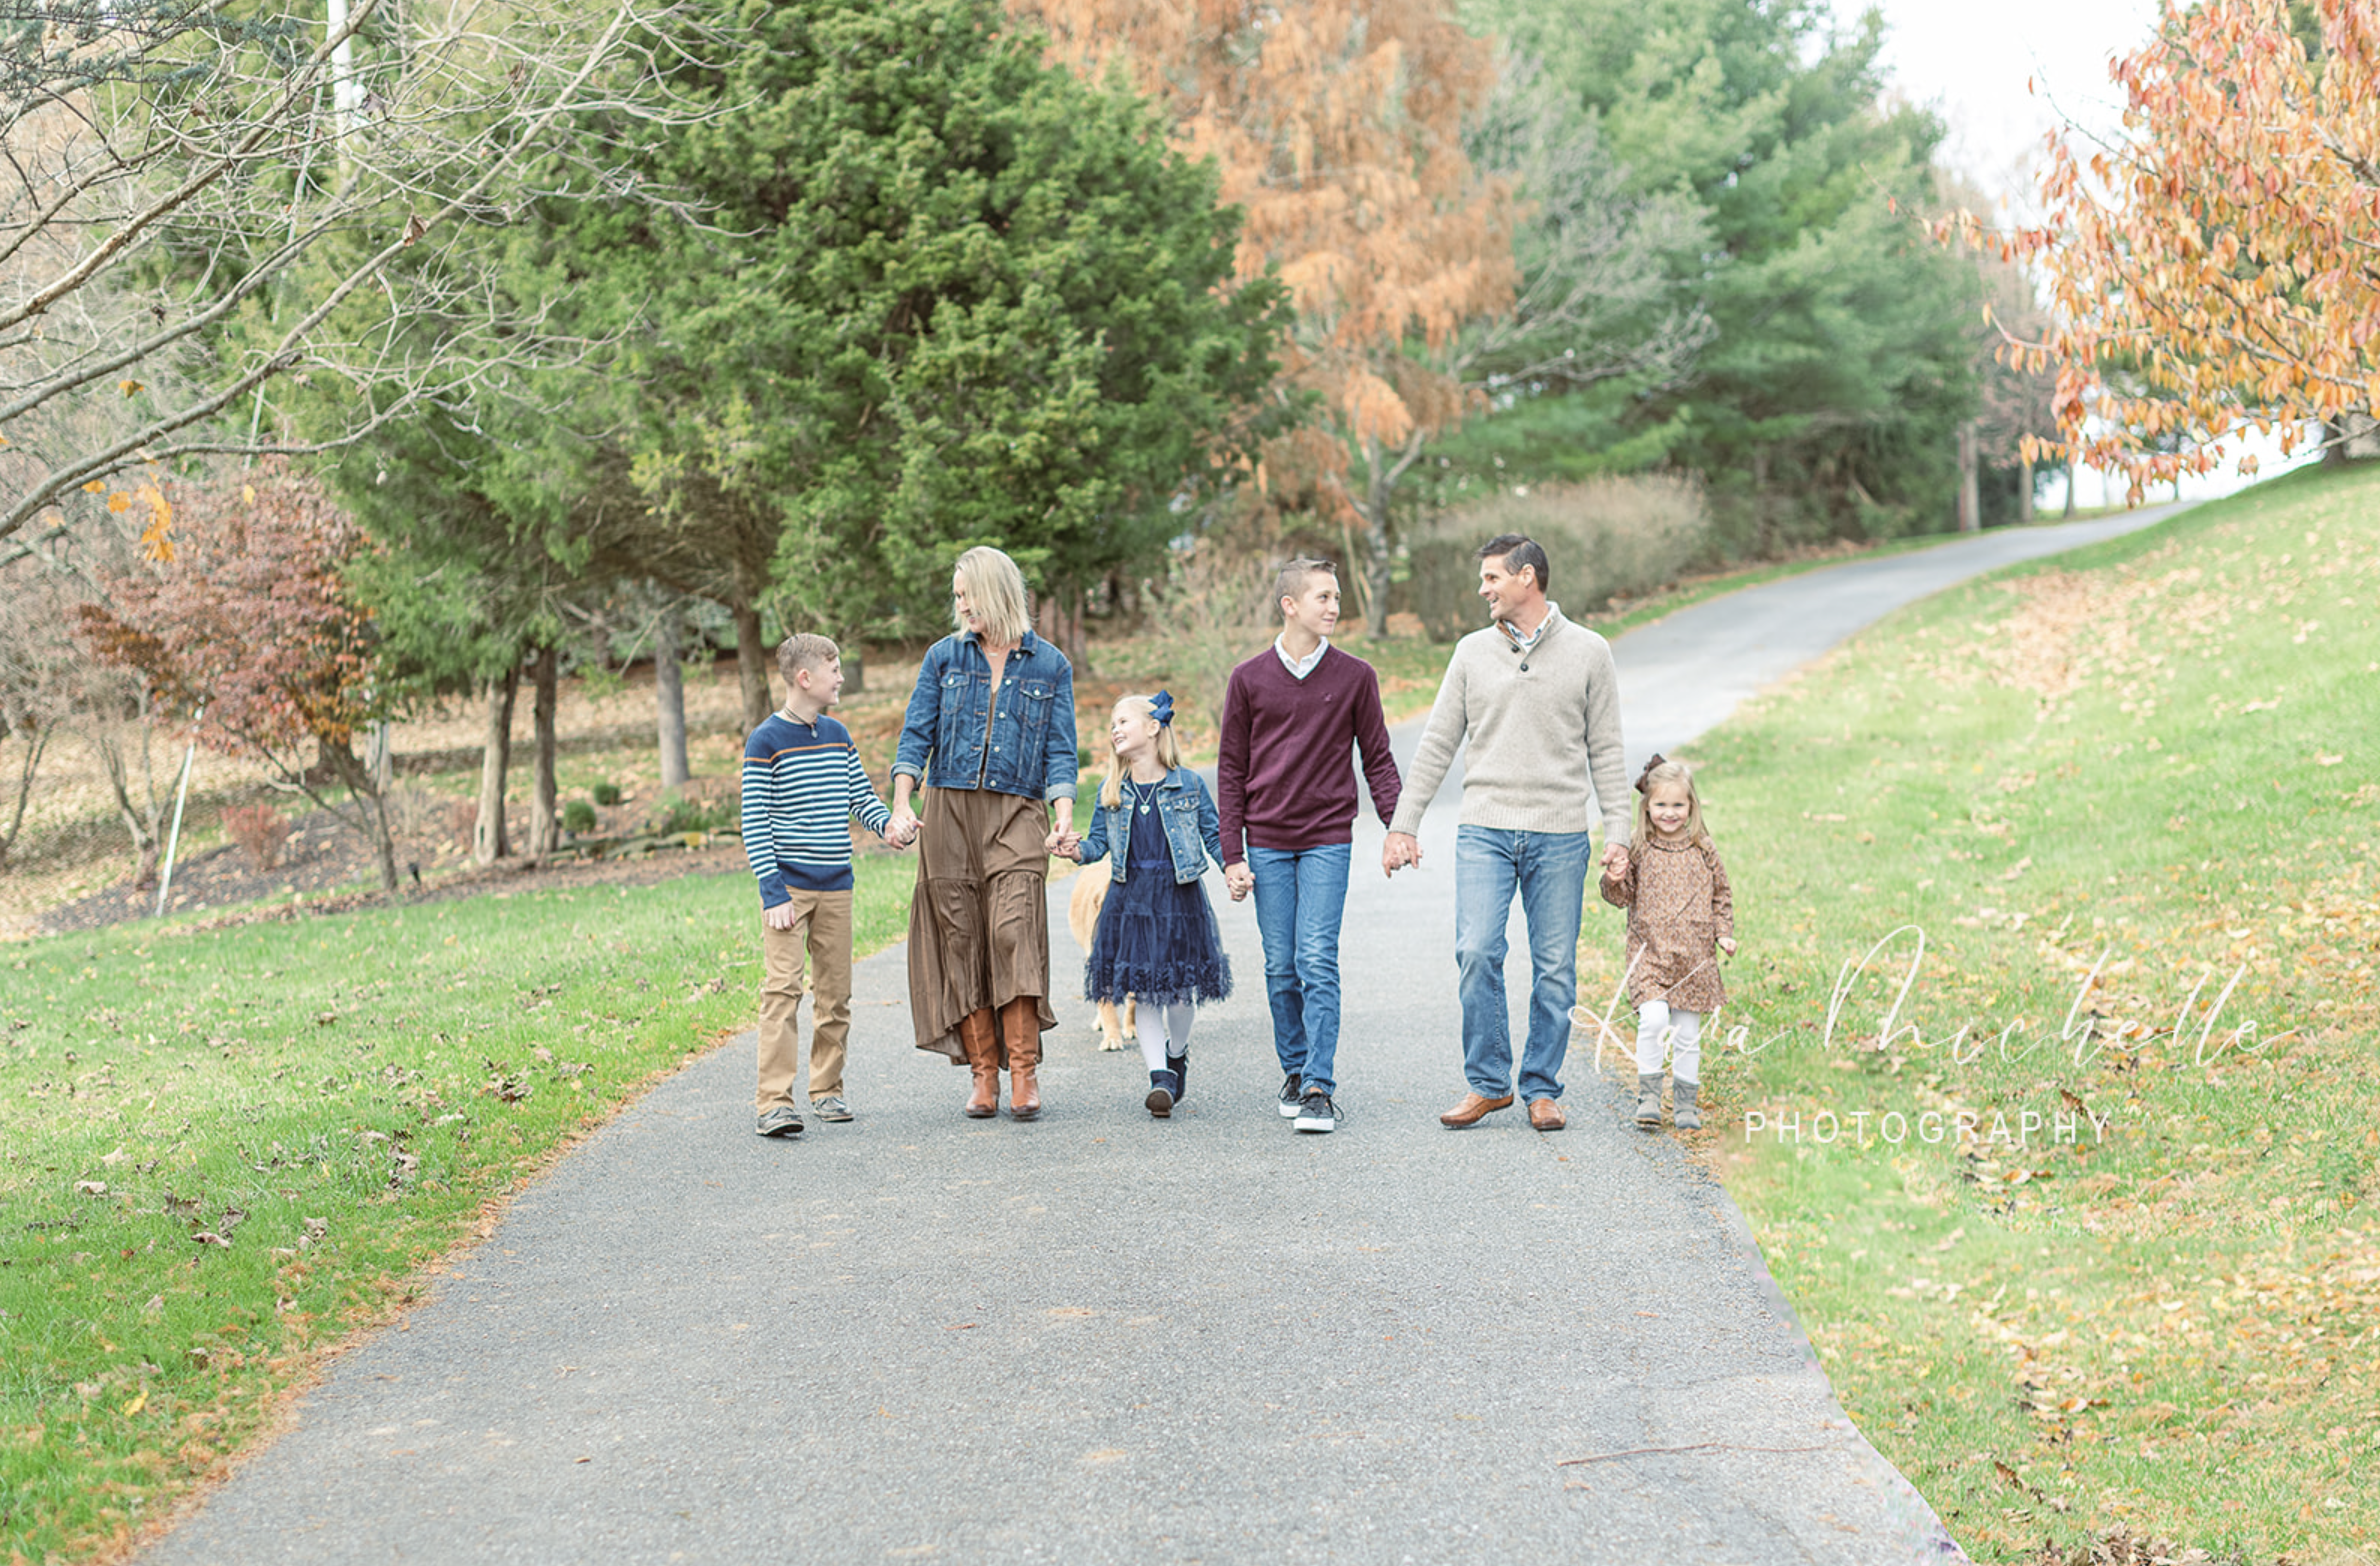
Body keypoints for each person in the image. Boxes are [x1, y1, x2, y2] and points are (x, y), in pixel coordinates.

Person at [1383, 534, 1632, 1133]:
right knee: (1476, 951)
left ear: (1526, 578)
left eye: (1492, 578)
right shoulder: (1471, 653)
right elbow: (1438, 741)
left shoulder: (1590, 651)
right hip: (1485, 830)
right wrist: (1403, 825)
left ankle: (1541, 1087)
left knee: (1554, 967)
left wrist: (1619, 832)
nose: (1483, 590)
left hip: (1561, 833)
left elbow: (1607, 749)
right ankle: (1489, 1083)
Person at [889, 546, 1077, 1121]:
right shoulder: (943, 658)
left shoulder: (1049, 665)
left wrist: (1064, 812)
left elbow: (1061, 749)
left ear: (995, 590)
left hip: (1016, 812)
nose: (959, 603)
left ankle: (1024, 1071)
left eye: (965, 592)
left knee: (1012, 929)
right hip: (947, 811)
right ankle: (982, 1075)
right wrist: (901, 803)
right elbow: (915, 733)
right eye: (956, 594)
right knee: (961, 936)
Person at [1217, 557, 1401, 1136]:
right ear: (1289, 604)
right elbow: (1230, 769)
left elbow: (1377, 758)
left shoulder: (1355, 676)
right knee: (1280, 966)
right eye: (1322, 596)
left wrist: (1398, 826)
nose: (1334, 605)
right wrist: (1232, 854)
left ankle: (1320, 1084)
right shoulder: (1248, 679)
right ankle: (1294, 1069)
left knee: (1316, 956)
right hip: (1267, 841)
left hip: (1326, 837)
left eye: (1337, 596)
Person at [740, 633, 905, 1139]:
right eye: (833, 668)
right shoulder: (765, 741)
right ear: (804, 678)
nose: (840, 676)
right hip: (789, 890)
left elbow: (861, 796)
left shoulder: (836, 733)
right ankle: (774, 1102)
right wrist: (772, 892)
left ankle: (827, 1090)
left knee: (835, 995)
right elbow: (754, 819)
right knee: (783, 991)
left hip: (837, 886)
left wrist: (890, 827)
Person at [1064, 692, 1232, 1119]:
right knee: (1147, 992)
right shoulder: (1111, 789)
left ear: (1154, 727)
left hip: (1179, 898)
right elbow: (1098, 844)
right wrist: (1073, 849)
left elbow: (1213, 835)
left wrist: (1234, 866)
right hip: (1131, 899)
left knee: (1178, 994)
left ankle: (1177, 1054)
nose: (1115, 730)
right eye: (1112, 726)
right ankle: (1160, 1079)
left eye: (1123, 721)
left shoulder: (1188, 783)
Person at [1600, 754, 1735, 1132]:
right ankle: (1648, 1097)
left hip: (1694, 958)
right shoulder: (1639, 849)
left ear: (1691, 805)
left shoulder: (1703, 848)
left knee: (1688, 1034)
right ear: (1646, 807)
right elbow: (1620, 897)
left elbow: (1721, 894)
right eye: (1661, 804)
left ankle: (1686, 1105)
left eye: (1678, 804)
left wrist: (1724, 931)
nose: (1670, 813)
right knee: (1655, 1019)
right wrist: (1614, 877)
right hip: (1651, 955)